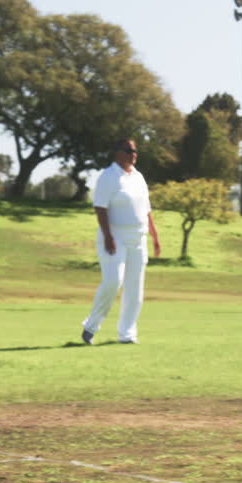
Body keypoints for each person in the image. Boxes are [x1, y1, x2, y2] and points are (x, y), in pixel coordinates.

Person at [80, 138, 162, 345]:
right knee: (113, 281)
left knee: (135, 289)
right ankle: (91, 325)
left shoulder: (138, 177)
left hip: (138, 238)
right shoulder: (108, 177)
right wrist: (108, 236)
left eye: (135, 151)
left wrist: (155, 236)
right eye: (129, 150)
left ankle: (127, 334)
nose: (133, 154)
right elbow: (100, 208)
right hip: (115, 237)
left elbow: (146, 209)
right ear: (117, 153)